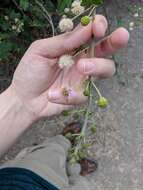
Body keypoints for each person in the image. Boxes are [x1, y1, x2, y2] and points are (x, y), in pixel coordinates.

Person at [0, 15, 129, 190]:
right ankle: (76, 170)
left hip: (22, 175)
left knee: (50, 153)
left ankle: (64, 142)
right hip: (36, 179)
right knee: (79, 183)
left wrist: (20, 100)